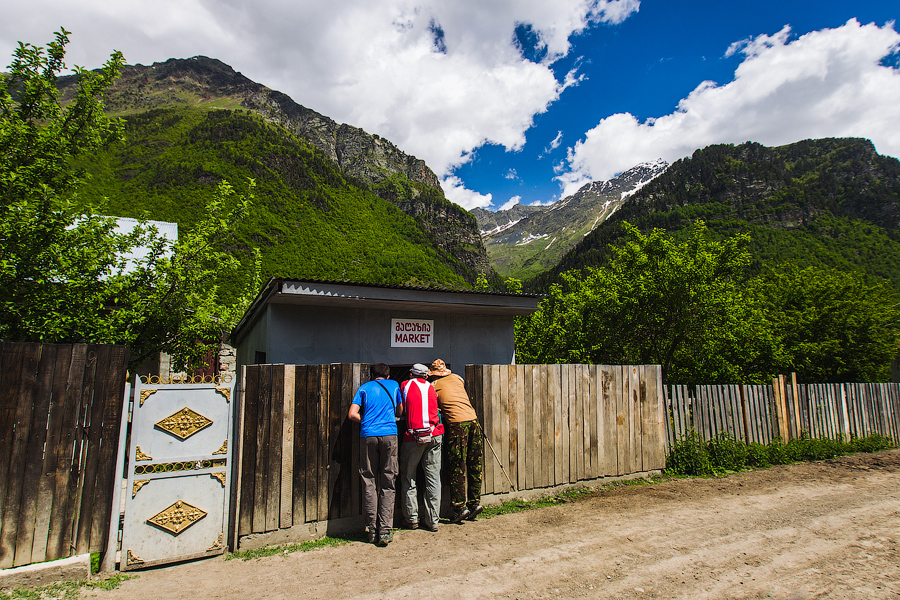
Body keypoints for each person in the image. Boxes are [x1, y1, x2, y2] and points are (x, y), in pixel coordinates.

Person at [348, 362, 403, 546]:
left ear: (372, 375)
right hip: (389, 434)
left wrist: (366, 421)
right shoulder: (394, 385)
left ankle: (371, 529)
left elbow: (352, 414)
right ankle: (385, 530)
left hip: (368, 435)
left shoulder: (364, 388)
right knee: (388, 480)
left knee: (368, 480)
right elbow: (400, 410)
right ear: (388, 375)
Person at [429, 358, 483, 522]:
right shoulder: (458, 378)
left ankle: (459, 507)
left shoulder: (433, 386)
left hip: (457, 424)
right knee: (475, 463)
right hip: (473, 420)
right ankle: (475, 503)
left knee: (457, 465)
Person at [398, 363, 444, 532]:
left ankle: (411, 519)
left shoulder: (405, 385)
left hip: (413, 436)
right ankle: (433, 521)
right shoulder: (432, 388)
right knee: (433, 478)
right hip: (435, 434)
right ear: (426, 376)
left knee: (409, 477)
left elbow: (401, 409)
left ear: (411, 374)